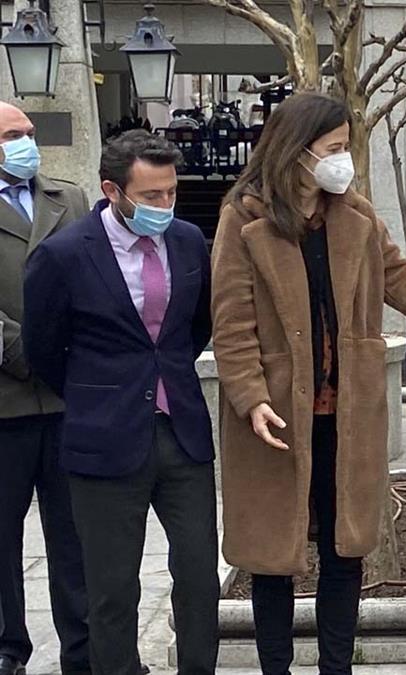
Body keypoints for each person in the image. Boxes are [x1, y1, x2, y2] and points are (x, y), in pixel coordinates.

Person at [211, 91, 406, 675]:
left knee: (346, 548)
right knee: (271, 556)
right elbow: (232, 323)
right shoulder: (244, 217)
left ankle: (336, 667)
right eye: (335, 148)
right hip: (277, 418)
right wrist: (250, 398)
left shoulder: (357, 216)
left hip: (347, 413)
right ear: (298, 151)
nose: (344, 160)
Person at [22, 129, 218, 675]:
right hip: (103, 441)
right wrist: (100, 395)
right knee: (111, 590)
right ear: (113, 190)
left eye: (171, 193)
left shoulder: (187, 241)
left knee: (201, 576)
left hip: (182, 434)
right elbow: (44, 348)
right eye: (151, 196)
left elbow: (194, 328)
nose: (164, 205)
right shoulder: (62, 255)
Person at [0, 101, 91, 675]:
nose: (26, 143)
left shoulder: (71, 198)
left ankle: (83, 647)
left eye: (29, 133)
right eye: (12, 135)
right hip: (4, 400)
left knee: (75, 532)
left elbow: (90, 279)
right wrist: (28, 348)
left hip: (65, 399)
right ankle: (9, 644)